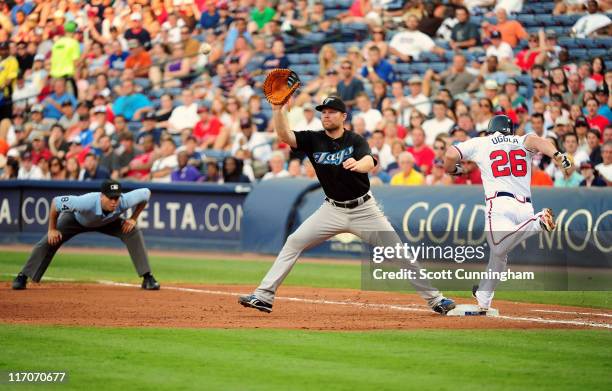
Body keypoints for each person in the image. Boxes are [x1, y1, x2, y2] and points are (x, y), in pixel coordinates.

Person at [238, 95, 456, 315]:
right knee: (294, 241)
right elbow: (284, 135)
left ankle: (436, 299)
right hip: (331, 209)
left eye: (332, 111)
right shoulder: (313, 139)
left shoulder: (355, 140)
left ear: (343, 116)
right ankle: (264, 296)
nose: (326, 115)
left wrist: (358, 165)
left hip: (364, 210)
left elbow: (370, 161)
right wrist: (277, 110)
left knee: (398, 252)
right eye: (323, 111)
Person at [444, 115, 572, 312]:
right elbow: (539, 141)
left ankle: (537, 222)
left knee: (497, 247)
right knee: (500, 256)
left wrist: (453, 170)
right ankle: (484, 297)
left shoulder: (482, 142)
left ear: (491, 129)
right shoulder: (522, 140)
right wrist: (557, 155)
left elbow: (451, 154)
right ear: (510, 130)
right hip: (524, 205)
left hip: (500, 203)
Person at [12, 180, 160, 291]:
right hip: (75, 221)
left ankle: (147, 277)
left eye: (117, 198)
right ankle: (23, 276)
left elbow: (146, 193)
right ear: (102, 196)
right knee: (49, 241)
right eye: (110, 198)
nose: (114, 202)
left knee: (133, 233)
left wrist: (133, 218)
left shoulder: (124, 200)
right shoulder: (85, 202)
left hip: (108, 222)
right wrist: (52, 229)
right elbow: (56, 203)